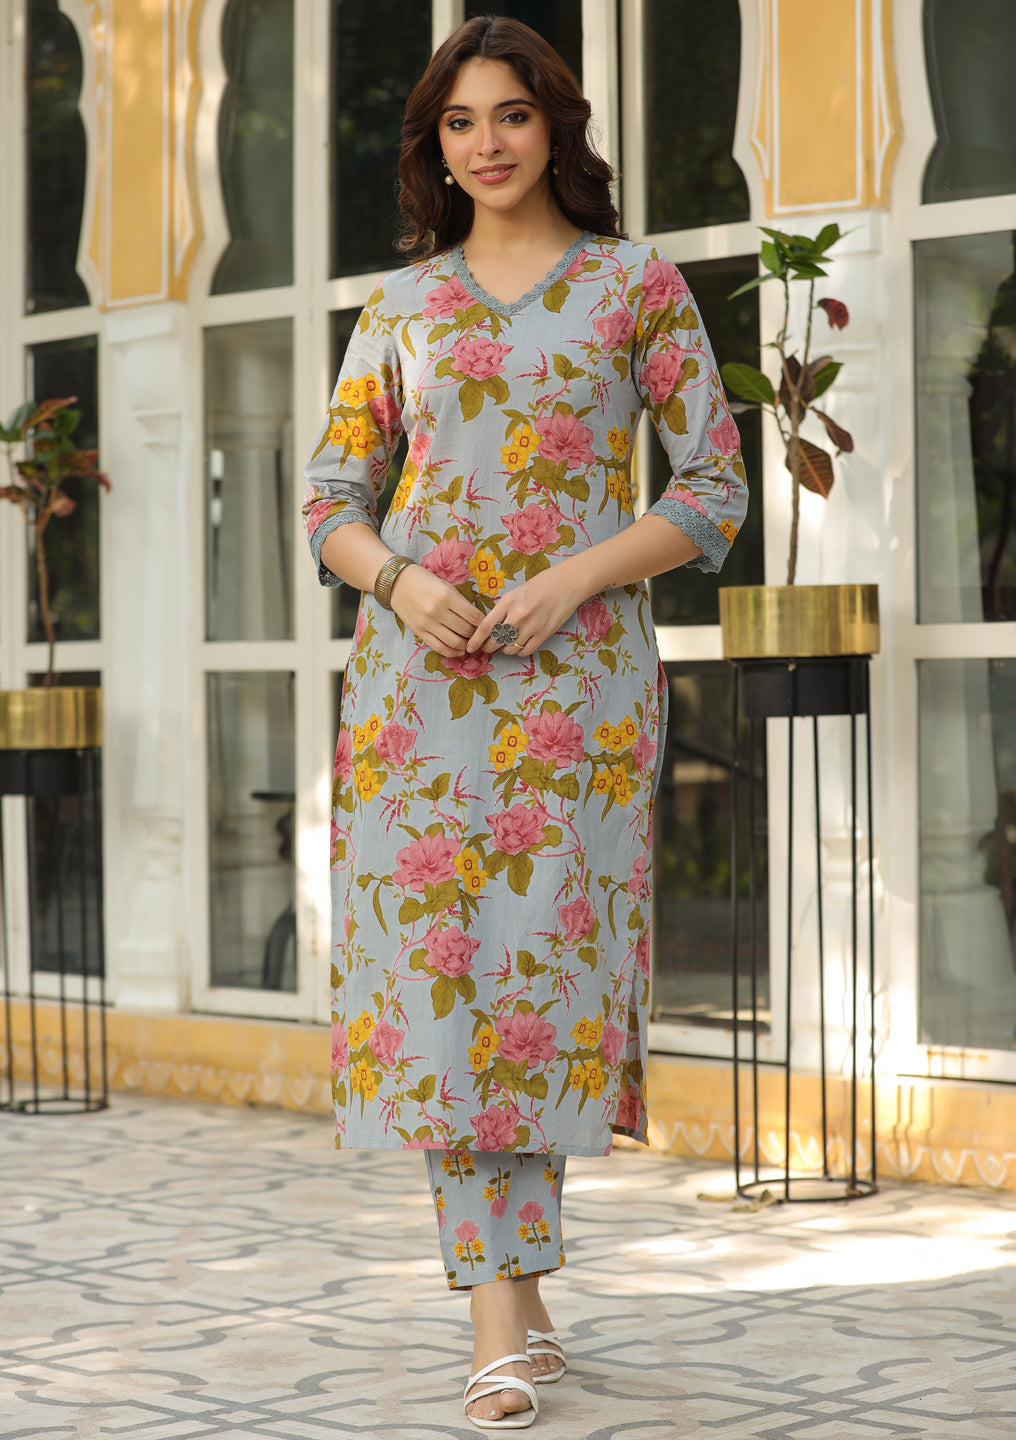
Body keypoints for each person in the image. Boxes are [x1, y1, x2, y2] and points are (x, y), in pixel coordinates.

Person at [303, 15, 746, 1430]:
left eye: (510, 114)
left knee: (538, 983)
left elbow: (715, 487)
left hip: (580, 693)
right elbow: (329, 502)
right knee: (448, 983)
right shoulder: (402, 308)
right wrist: (402, 582)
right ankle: (500, 1311)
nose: (486, 143)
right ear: (434, 146)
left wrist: (579, 575)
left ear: (557, 125)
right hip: (417, 696)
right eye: (458, 122)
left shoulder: (635, 285)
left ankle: (518, 1291)